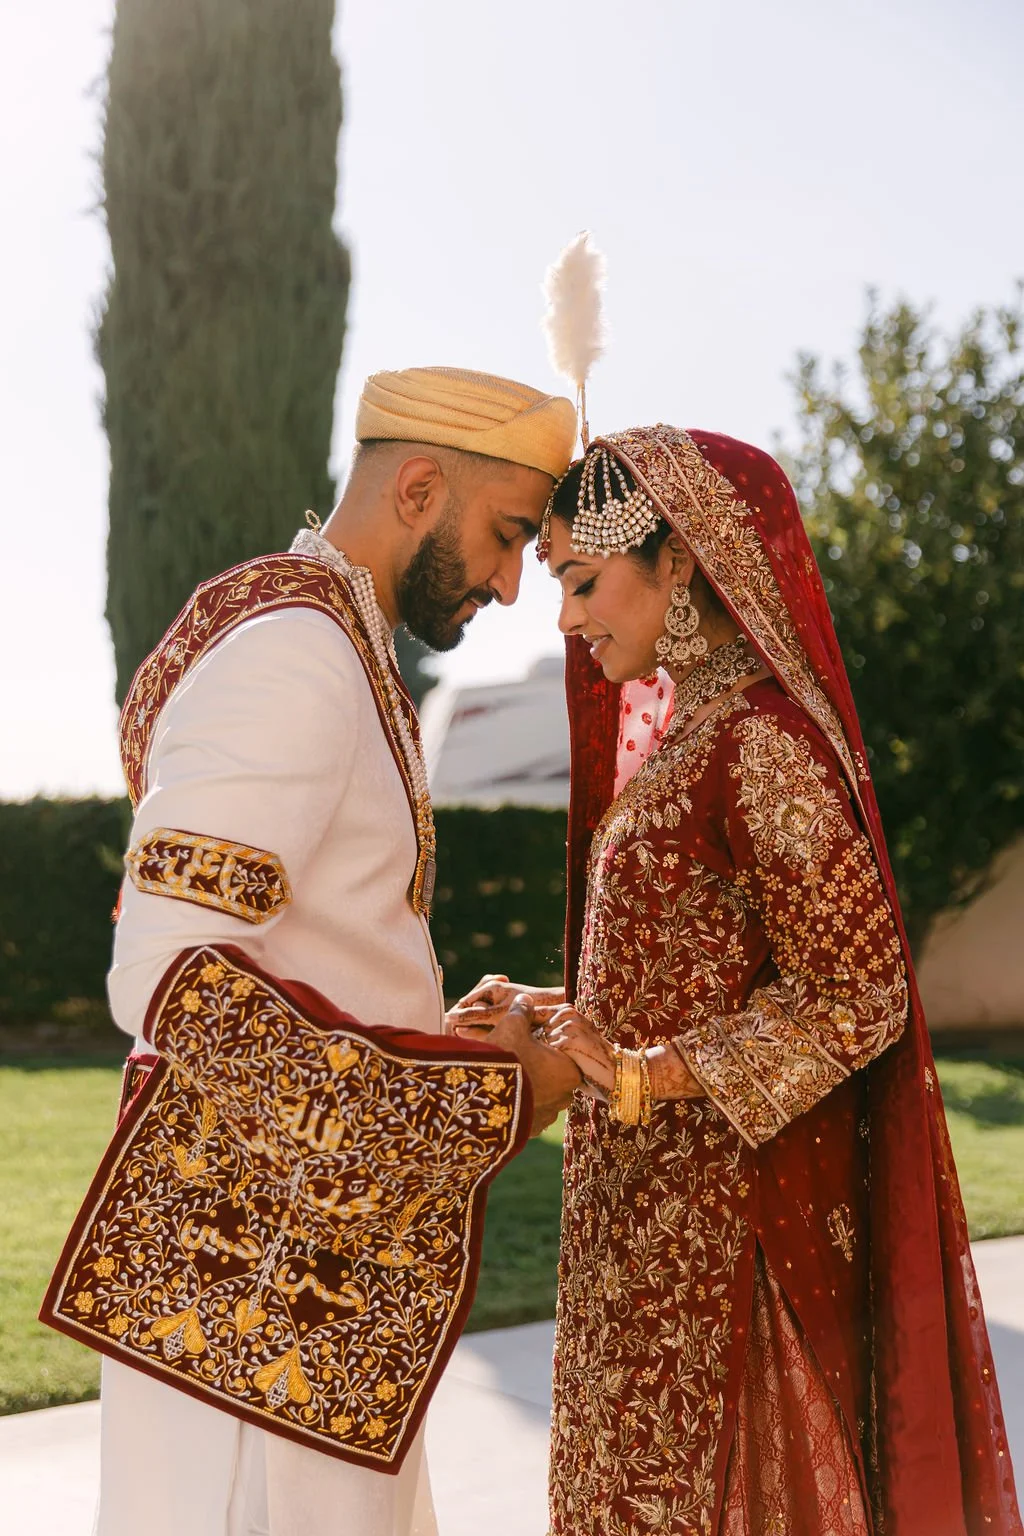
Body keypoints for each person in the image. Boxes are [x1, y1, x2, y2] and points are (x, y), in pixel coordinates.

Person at [41, 366, 583, 1536]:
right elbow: (172, 976)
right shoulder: (293, 650)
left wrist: (437, 1040)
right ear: (419, 488)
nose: (509, 582)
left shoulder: (335, 645)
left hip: (305, 1281)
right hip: (245, 1296)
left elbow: (302, 953)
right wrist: (479, 1102)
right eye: (505, 536)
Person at [454, 425, 1022, 1535]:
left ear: (678, 560)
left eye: (582, 581)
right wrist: (559, 1015)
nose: (565, 618)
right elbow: (690, 969)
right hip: (639, 1228)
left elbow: (858, 993)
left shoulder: (760, 742)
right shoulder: (688, 735)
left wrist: (643, 1075)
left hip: (727, 1241)